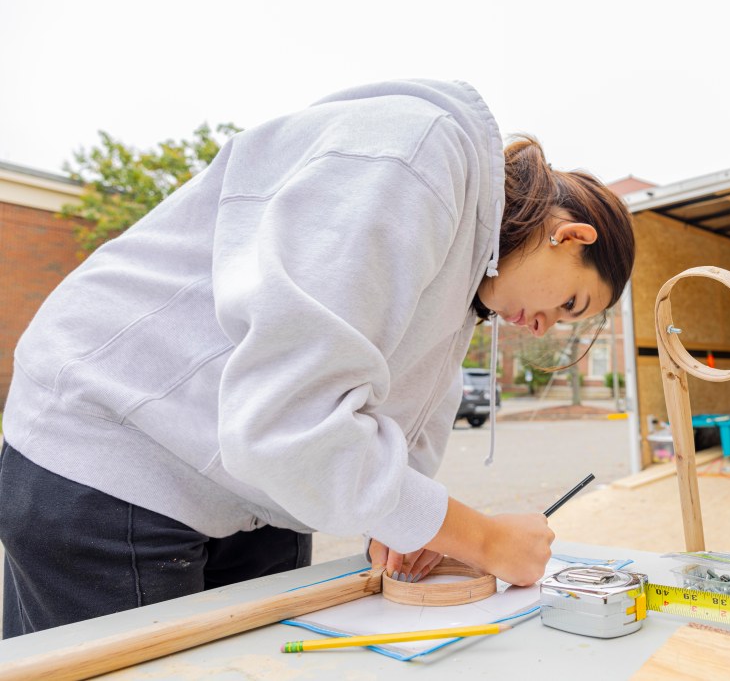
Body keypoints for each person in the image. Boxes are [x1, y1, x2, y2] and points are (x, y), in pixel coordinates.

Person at [0, 79, 635, 637]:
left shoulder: (469, 282)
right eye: (570, 303)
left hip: (251, 484)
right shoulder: (416, 162)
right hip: (116, 450)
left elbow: (404, 420)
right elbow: (287, 425)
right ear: (570, 236)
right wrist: (485, 538)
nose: (546, 325)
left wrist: (412, 520)